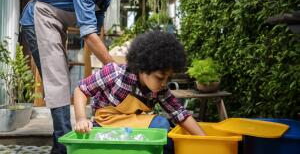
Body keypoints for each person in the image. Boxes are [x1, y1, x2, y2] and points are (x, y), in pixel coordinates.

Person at [19, 0, 136, 154]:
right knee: (58, 79)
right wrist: (114, 67)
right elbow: (88, 34)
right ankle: (63, 148)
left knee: (60, 76)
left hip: (57, 23)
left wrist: (104, 73)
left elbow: (94, 34)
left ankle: (63, 145)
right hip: (39, 16)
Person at [73, 31, 206, 154]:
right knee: (161, 125)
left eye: (168, 78)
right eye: (160, 77)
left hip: (132, 126)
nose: (164, 83)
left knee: (165, 129)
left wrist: (206, 140)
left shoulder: (160, 90)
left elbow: (180, 114)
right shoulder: (115, 73)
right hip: (104, 124)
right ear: (143, 68)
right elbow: (81, 90)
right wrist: (81, 119)